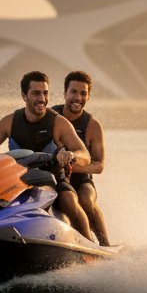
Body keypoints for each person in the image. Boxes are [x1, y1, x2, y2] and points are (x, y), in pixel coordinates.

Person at [0, 71, 96, 241]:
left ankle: (90, 245)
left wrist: (71, 155)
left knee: (69, 201)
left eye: (45, 93)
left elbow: (84, 154)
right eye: (36, 93)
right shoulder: (9, 122)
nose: (42, 99)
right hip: (17, 180)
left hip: (53, 180)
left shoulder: (58, 122)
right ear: (24, 96)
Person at [51, 70, 111, 246]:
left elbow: (99, 165)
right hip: (54, 177)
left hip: (81, 179)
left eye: (83, 93)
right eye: (73, 92)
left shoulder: (93, 126)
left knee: (85, 199)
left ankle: (104, 244)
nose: (78, 97)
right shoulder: (51, 117)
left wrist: (73, 166)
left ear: (88, 97)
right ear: (65, 93)